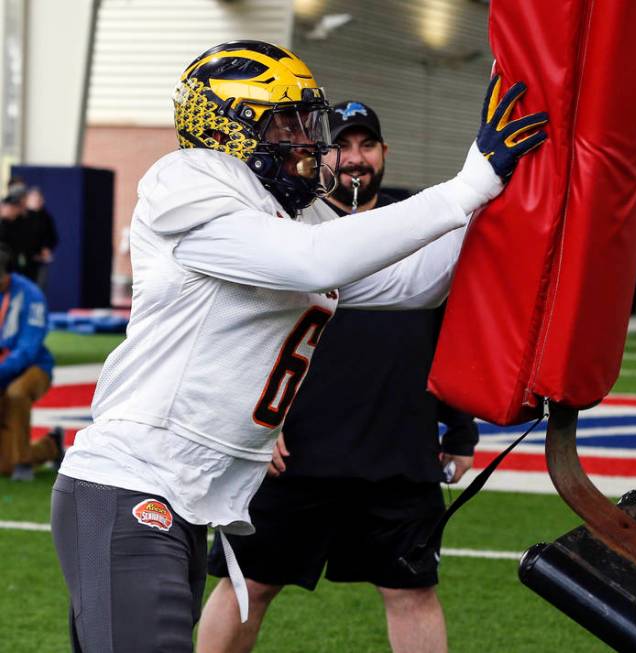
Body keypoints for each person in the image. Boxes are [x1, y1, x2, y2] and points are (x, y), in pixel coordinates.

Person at [50, 40, 547, 653]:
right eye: (287, 122)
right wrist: (466, 185)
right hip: (130, 484)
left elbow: (412, 280)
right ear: (226, 127)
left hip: (185, 499)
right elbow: (314, 261)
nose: (309, 140)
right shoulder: (186, 182)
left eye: (306, 121)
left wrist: (512, 196)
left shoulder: (292, 216)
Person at [198, 100, 479, 653]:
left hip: (398, 449)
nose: (354, 159)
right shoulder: (284, 229)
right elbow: (237, 330)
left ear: (384, 153)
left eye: (366, 145)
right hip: (294, 449)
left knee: (412, 590)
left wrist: (460, 429)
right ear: (318, 153)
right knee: (246, 585)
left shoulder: (417, 229)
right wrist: (250, 422)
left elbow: (450, 333)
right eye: (341, 146)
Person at [0, 243, 60, 481]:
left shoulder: (30, 295)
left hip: (33, 368)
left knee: (16, 393)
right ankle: (51, 446)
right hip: (4, 369)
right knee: (4, 466)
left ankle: (24, 464)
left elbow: (28, 349)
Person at [19, 188, 59, 287]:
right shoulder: (21, 216)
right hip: (24, 260)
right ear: (27, 200)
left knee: (39, 287)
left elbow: (53, 237)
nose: (36, 201)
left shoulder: (46, 217)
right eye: (33, 198)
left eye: (38, 198)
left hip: (40, 261)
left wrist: (47, 248)